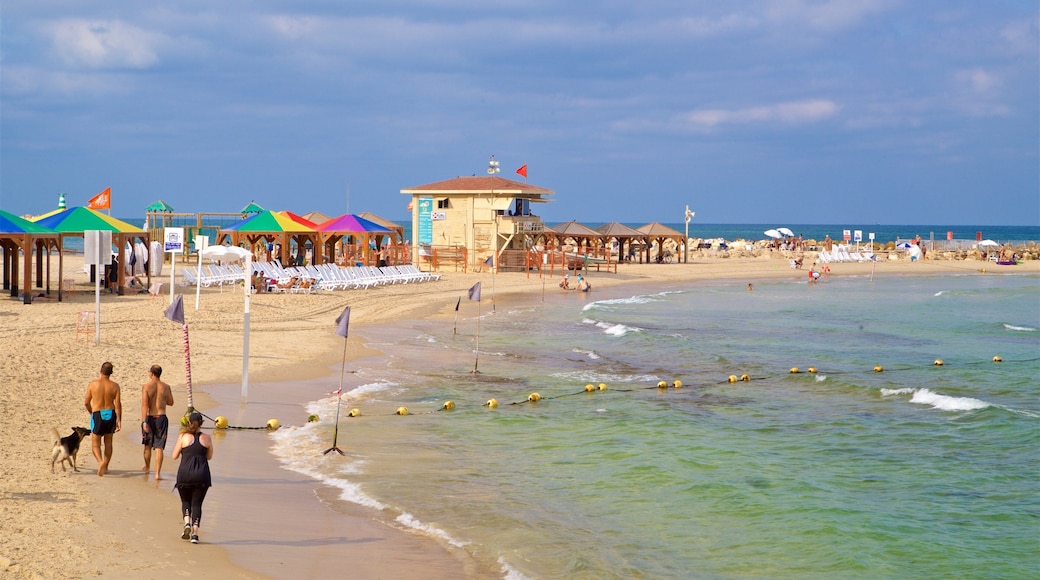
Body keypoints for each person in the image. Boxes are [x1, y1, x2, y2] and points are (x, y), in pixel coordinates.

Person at [172, 412, 213, 544]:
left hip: (185, 474)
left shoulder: (183, 437)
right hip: (202, 474)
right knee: (197, 504)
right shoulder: (207, 438)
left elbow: (174, 456)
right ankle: (195, 534)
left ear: (189, 423)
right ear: (201, 424)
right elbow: (209, 456)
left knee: (185, 501)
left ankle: (187, 523)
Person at [84, 361, 122, 476]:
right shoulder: (115, 386)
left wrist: (91, 412)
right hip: (110, 413)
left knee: (96, 444)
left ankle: (100, 462)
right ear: (111, 373)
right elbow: (118, 404)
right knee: (108, 443)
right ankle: (105, 466)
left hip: (97, 413)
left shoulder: (93, 384)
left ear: (100, 371)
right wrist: (119, 420)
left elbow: (86, 402)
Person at [141, 365, 174, 480]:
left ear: (151, 373)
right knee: (159, 447)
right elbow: (171, 402)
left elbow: (145, 404)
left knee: (147, 445)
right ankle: (157, 474)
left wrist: (144, 421)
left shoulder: (146, 386)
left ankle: (147, 467)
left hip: (150, 417)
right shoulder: (166, 387)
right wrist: (161, 399)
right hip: (161, 417)